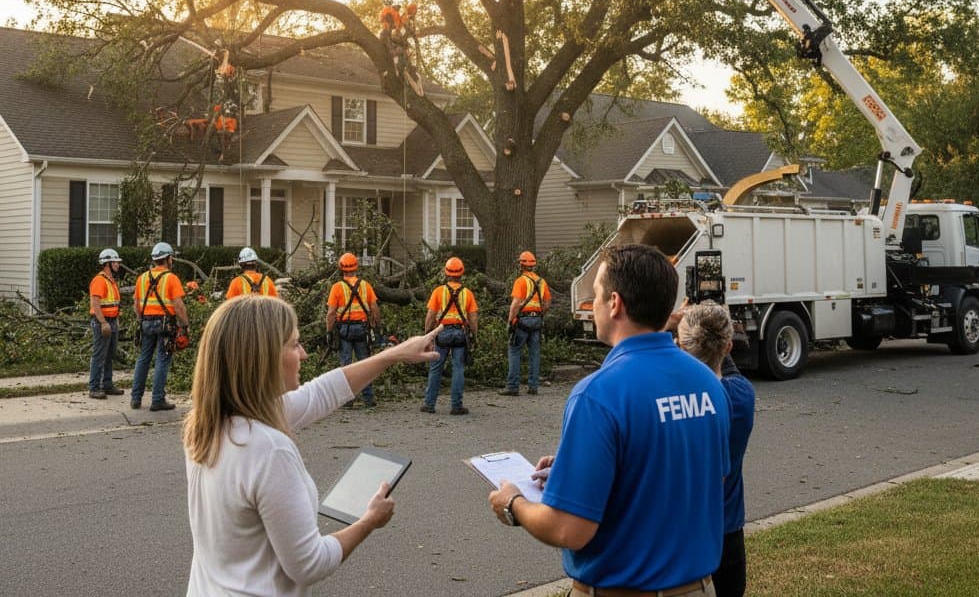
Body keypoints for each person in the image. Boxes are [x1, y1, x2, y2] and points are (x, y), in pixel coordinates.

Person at [487, 244, 730, 595]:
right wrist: (582, 472)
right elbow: (700, 478)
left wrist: (513, 502)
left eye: (596, 295)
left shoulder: (597, 394)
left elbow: (568, 530)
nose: (594, 304)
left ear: (615, 304)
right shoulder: (707, 381)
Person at [182, 295, 441, 597]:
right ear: (263, 358)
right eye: (294, 344)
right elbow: (309, 564)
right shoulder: (269, 449)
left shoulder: (207, 424)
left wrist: (392, 354)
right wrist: (370, 520)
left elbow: (321, 393)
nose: (303, 354)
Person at [678, 302, 756, 597]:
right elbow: (726, 368)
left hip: (683, 533)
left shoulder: (675, 401)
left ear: (682, 347)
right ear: (728, 347)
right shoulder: (741, 396)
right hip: (727, 530)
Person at [131, 241, 189, 412]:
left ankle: (136, 398)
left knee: (143, 359)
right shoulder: (171, 278)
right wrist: (185, 325)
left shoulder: (142, 278)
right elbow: (178, 305)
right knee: (162, 360)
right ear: (168, 258)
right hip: (165, 324)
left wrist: (141, 319)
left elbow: (136, 304)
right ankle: (157, 399)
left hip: (146, 321)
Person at [421, 256, 478, 416]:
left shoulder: (439, 291)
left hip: (442, 332)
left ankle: (429, 404)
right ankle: (456, 406)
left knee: (435, 368)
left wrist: (427, 335)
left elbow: (431, 315)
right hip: (460, 333)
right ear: (462, 273)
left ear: (446, 273)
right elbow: (473, 318)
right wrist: (474, 335)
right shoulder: (467, 293)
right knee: (458, 368)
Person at [326, 252, 381, 408]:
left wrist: (329, 332)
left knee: (346, 365)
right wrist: (377, 326)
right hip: (362, 328)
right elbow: (374, 308)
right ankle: (369, 398)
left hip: (344, 329)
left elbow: (331, 313)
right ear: (356, 267)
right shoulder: (365, 285)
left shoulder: (337, 287)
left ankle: (348, 400)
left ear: (341, 268)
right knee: (365, 363)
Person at [500, 250, 551, 396]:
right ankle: (533, 386)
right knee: (534, 353)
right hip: (536, 320)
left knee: (514, 351)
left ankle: (512, 386)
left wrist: (510, 321)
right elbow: (547, 303)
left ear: (521, 265)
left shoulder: (520, 281)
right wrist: (540, 315)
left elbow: (515, 304)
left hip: (522, 320)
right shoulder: (542, 282)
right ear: (534, 266)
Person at [87, 248, 124, 399]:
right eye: (115, 262)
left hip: (112, 321)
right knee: (99, 355)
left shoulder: (111, 281)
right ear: (107, 263)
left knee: (110, 354)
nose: (118, 265)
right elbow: (95, 304)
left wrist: (116, 320)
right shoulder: (99, 280)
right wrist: (103, 323)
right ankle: (94, 387)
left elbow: (115, 303)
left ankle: (107, 384)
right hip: (102, 322)